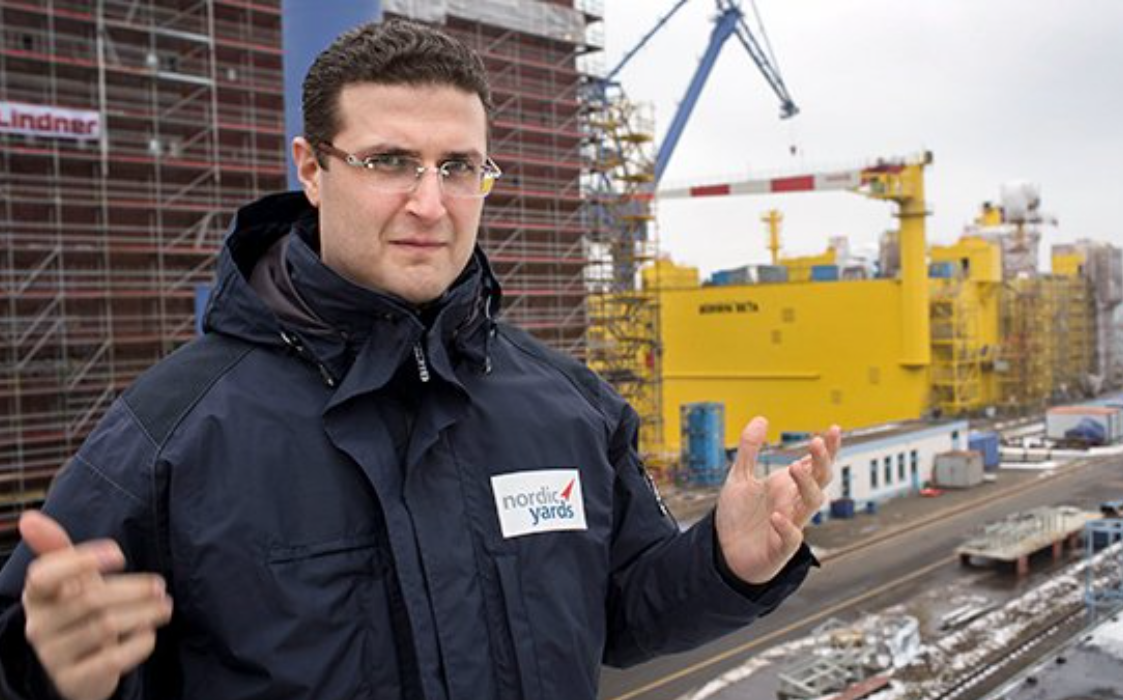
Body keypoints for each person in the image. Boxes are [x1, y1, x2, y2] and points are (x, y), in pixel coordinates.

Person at [0, 19, 840, 700]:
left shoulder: (568, 407)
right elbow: (34, 652)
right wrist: (52, 674)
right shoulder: (173, 431)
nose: (430, 203)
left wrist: (727, 563)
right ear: (312, 170)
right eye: (389, 162)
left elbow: (623, 615)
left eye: (458, 167)